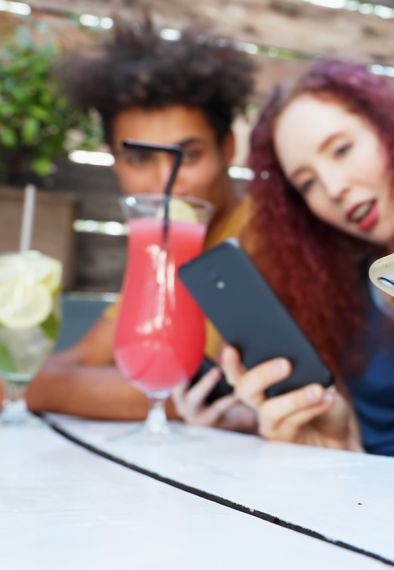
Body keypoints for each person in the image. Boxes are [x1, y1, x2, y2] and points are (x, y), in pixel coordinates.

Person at [220, 59, 394, 465]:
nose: (334, 189)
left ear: (390, 130)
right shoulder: (338, 296)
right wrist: (327, 442)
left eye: (341, 149)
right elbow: (351, 454)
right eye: (307, 183)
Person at [26, 18, 256, 430]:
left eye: (187, 154)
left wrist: (32, 387)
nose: (164, 182)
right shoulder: (158, 251)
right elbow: (79, 359)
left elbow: (212, 388)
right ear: (115, 161)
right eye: (139, 159)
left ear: (228, 148)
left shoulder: (263, 234)